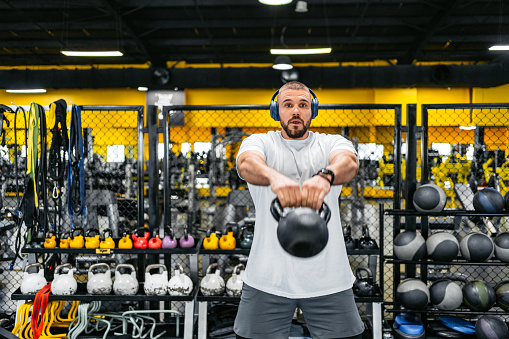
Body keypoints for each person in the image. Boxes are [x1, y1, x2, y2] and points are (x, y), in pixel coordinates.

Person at [233, 81, 364, 339]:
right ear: (276, 111)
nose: (295, 111)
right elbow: (246, 164)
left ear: (312, 110)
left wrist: (326, 176)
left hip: (328, 278)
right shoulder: (260, 142)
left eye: (303, 105)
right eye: (288, 105)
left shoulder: (331, 143)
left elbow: (348, 163)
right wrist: (274, 177)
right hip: (267, 277)